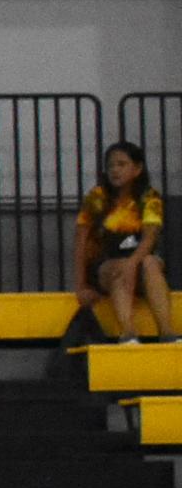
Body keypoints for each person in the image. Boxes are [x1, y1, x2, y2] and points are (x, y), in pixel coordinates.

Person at [77, 140, 169, 343]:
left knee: (151, 263)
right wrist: (80, 284)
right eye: (110, 165)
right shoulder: (97, 197)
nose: (114, 170)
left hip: (139, 261)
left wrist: (133, 262)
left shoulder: (149, 197)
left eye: (121, 164)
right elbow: (81, 241)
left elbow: (150, 237)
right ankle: (128, 332)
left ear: (137, 169)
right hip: (106, 265)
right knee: (119, 268)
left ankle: (167, 332)